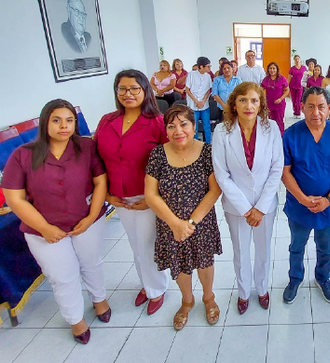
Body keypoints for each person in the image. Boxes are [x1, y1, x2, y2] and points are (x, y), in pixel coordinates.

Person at [2, 99, 110, 344]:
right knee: (63, 276)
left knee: (91, 263)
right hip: (43, 230)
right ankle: (76, 320)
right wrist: (44, 228)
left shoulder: (86, 147)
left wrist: (92, 217)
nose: (64, 126)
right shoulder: (24, 154)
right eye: (57, 120)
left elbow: (100, 181)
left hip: (86, 221)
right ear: (45, 123)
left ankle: (99, 299)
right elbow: (15, 198)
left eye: (69, 120)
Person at [95, 69, 170, 316]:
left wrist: (153, 199)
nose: (128, 94)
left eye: (134, 89)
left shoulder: (157, 123)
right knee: (135, 244)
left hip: (147, 197)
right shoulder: (107, 121)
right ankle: (147, 284)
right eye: (123, 89)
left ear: (145, 91)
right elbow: (96, 161)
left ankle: (157, 289)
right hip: (118, 196)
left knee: (149, 244)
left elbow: (168, 164)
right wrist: (106, 195)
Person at [145, 105, 223, 329]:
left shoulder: (207, 151)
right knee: (179, 265)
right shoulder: (158, 154)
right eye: (171, 126)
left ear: (193, 125)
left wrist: (190, 223)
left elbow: (214, 190)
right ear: (166, 130)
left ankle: (209, 298)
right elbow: (151, 194)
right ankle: (187, 301)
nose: (178, 131)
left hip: (201, 222)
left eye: (183, 124)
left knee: (204, 262)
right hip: (170, 223)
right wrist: (175, 224)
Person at [212, 83, 283, 315]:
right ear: (234, 103)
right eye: (243, 100)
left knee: (263, 251)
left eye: (254, 100)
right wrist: (246, 208)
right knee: (241, 252)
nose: (248, 105)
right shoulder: (222, 131)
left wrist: (260, 208)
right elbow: (221, 174)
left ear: (261, 103)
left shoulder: (271, 128)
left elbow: (276, 168)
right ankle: (243, 293)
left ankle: (262, 289)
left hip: (265, 205)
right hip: (236, 207)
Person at [282, 87, 330, 304]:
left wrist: (329, 199)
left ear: (329, 109)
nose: (316, 112)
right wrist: (302, 199)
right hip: (298, 205)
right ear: (302, 108)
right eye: (310, 106)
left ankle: (323, 278)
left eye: (321, 107)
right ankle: (295, 279)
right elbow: (285, 172)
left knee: (325, 247)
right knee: (297, 246)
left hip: (327, 206)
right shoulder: (291, 134)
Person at [186, 56, 213, 142]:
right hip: (193, 105)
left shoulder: (208, 76)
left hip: (204, 105)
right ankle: (195, 144)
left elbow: (208, 90)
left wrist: (203, 101)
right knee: (194, 126)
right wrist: (196, 101)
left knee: (207, 126)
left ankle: (209, 145)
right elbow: (187, 90)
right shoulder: (191, 74)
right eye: (208, 66)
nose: (209, 68)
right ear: (201, 66)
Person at [261, 62, 290, 134]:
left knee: (279, 121)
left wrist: (281, 98)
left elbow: (287, 90)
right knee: (271, 121)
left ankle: (281, 137)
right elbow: (260, 90)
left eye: (274, 68)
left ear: (277, 69)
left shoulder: (282, 78)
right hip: (269, 104)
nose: (272, 70)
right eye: (270, 68)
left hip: (279, 104)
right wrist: (263, 100)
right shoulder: (266, 79)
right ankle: (273, 136)